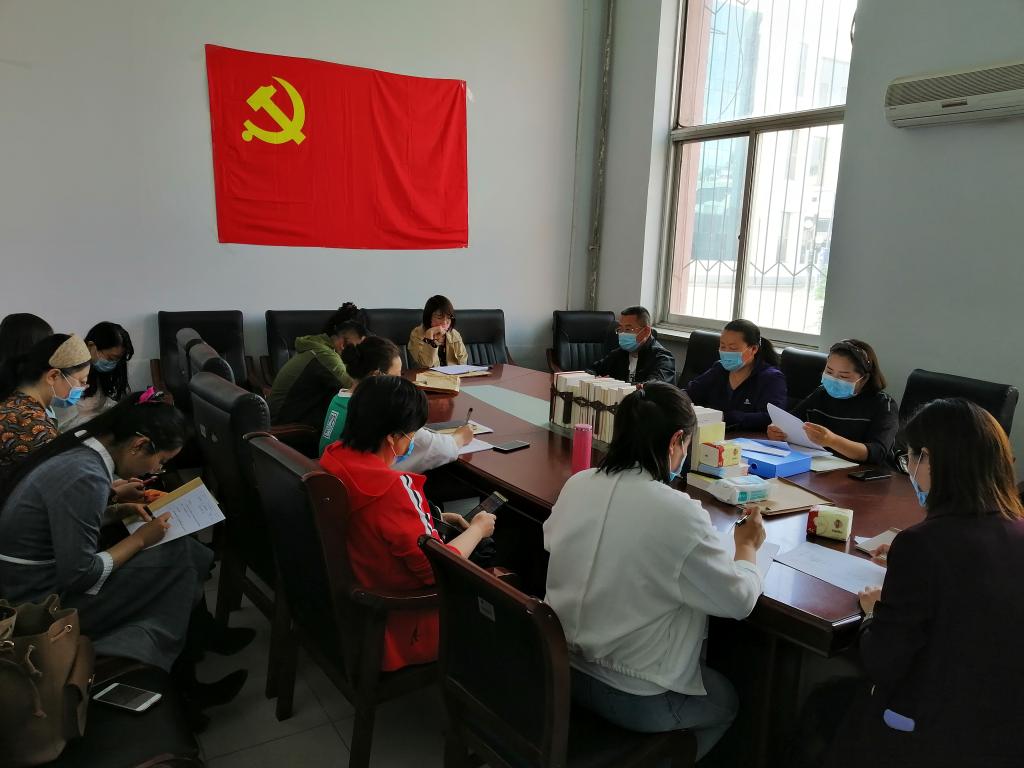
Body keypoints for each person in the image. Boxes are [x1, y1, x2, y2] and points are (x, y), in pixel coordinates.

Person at [543, 383, 766, 760]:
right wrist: (747, 547)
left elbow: (552, 540)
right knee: (727, 701)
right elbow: (740, 601)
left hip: (560, 670)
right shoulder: (678, 512)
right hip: (634, 694)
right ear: (677, 441)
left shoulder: (578, 483)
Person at [826, 399, 1024, 768]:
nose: (910, 471)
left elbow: (882, 661)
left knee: (823, 708)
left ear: (930, 460)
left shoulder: (922, 545)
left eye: (910, 459)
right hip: (1007, 730)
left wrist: (873, 612)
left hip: (932, 733)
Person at [319, 375, 496, 670]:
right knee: (491, 555)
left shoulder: (334, 458)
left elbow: (373, 522)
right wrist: (478, 529)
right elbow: (436, 570)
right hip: (400, 623)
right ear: (392, 438)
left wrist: (431, 517)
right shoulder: (393, 488)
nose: (413, 441)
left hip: (357, 596)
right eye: (412, 434)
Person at [319, 336, 475, 472]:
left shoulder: (339, 399)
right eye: (396, 377)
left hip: (335, 477)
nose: (401, 382)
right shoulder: (378, 414)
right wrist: (460, 437)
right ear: (377, 377)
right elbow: (437, 448)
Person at [767, 339, 897, 464]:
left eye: (843, 376)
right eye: (829, 371)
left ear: (864, 379)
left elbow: (878, 452)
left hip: (864, 474)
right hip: (821, 466)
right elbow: (790, 420)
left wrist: (832, 441)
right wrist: (777, 430)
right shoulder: (821, 393)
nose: (834, 380)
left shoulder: (883, 404)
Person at [0, 333, 91, 483]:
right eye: (82, 381)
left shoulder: (15, 400)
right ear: (53, 376)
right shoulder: (31, 425)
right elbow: (61, 483)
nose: (83, 388)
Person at [268, 303, 365, 429]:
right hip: (285, 424)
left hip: (286, 415)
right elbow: (352, 387)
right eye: (356, 349)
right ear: (343, 344)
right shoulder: (325, 356)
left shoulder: (317, 345)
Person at [685, 319, 786, 430]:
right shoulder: (719, 369)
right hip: (714, 434)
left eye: (733, 348)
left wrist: (726, 417)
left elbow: (771, 417)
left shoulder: (771, 378)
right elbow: (690, 393)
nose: (726, 352)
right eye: (723, 347)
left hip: (748, 437)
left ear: (753, 349)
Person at [53, 321, 135, 432]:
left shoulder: (102, 374)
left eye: (117, 360)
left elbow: (105, 404)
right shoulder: (69, 374)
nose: (113, 363)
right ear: (91, 346)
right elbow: (63, 423)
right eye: (111, 358)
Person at [585, 305, 676, 384]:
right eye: (620, 329)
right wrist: (595, 378)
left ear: (646, 331)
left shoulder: (663, 358)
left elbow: (653, 386)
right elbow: (592, 370)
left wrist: (614, 383)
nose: (622, 334)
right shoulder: (619, 354)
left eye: (628, 329)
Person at [407, 295, 468, 368]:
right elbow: (425, 365)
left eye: (449, 317)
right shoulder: (417, 334)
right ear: (429, 318)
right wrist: (429, 338)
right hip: (428, 374)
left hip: (453, 374)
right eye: (439, 317)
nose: (445, 322)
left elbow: (463, 362)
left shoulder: (454, 334)